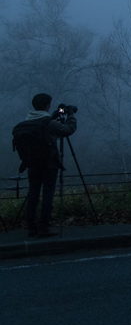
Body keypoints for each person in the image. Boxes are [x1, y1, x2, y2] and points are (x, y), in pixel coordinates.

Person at [12, 93, 77, 237]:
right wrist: (71, 115)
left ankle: (32, 228)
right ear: (47, 106)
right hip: (49, 164)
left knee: (33, 194)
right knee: (48, 195)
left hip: (32, 165)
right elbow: (68, 130)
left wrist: (52, 117)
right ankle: (44, 228)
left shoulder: (27, 121)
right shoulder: (48, 123)